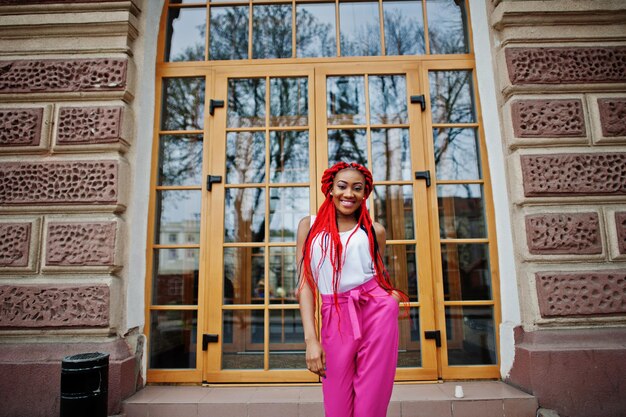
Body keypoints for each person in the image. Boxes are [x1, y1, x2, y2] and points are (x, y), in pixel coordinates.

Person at [296, 161, 407, 417]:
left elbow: (378, 275)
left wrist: (389, 299)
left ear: (365, 194)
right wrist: (311, 340)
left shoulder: (373, 230)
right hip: (335, 314)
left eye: (357, 188)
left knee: (372, 398)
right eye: (342, 186)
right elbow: (305, 284)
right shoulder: (309, 226)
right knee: (337, 403)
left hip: (375, 312)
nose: (349, 194)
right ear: (330, 189)